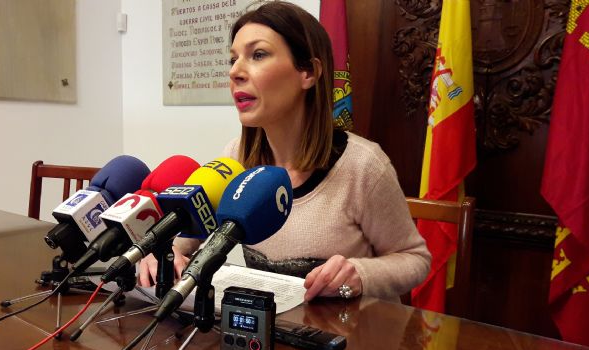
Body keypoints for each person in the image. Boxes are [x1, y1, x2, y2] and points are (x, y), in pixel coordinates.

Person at [139, 1, 430, 303]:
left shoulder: (364, 165)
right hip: (266, 336)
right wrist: (166, 252)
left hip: (350, 339)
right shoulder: (234, 158)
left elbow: (415, 259)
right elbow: (189, 236)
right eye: (233, 59)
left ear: (308, 72)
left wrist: (360, 274)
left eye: (258, 54)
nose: (235, 71)